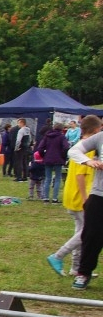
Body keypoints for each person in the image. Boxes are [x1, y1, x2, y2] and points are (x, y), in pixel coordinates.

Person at [48, 115, 101, 277]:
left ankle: (76, 267)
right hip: (81, 196)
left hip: (72, 194)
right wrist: (86, 200)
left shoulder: (82, 145)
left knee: (82, 231)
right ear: (95, 130)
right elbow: (80, 175)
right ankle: (58, 255)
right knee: (87, 232)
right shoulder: (90, 149)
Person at [68, 123, 103, 290]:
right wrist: (88, 161)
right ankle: (83, 273)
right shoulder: (99, 137)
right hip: (99, 194)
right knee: (91, 235)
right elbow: (73, 151)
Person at [35, 122, 70, 203]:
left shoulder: (47, 136)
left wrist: (44, 155)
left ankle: (46, 198)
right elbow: (66, 147)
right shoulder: (62, 137)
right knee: (57, 178)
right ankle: (54, 198)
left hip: (48, 158)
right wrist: (63, 157)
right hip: (58, 159)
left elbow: (40, 148)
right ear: (61, 129)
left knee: (47, 178)